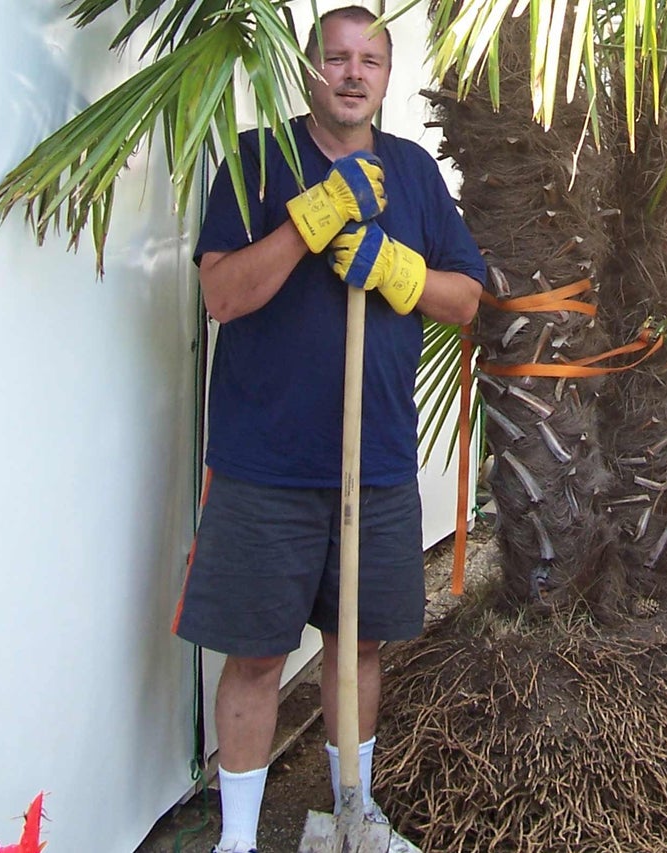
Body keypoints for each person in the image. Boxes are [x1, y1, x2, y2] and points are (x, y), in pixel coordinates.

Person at [172, 6, 485, 852]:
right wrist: (308, 222)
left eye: (371, 61)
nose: (354, 73)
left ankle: (357, 807)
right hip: (264, 462)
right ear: (311, 70)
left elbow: (466, 300)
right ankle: (238, 838)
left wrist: (395, 266)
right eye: (338, 58)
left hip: (374, 461)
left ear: (386, 76)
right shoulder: (259, 158)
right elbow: (224, 295)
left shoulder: (415, 173)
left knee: (360, 648)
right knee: (256, 655)